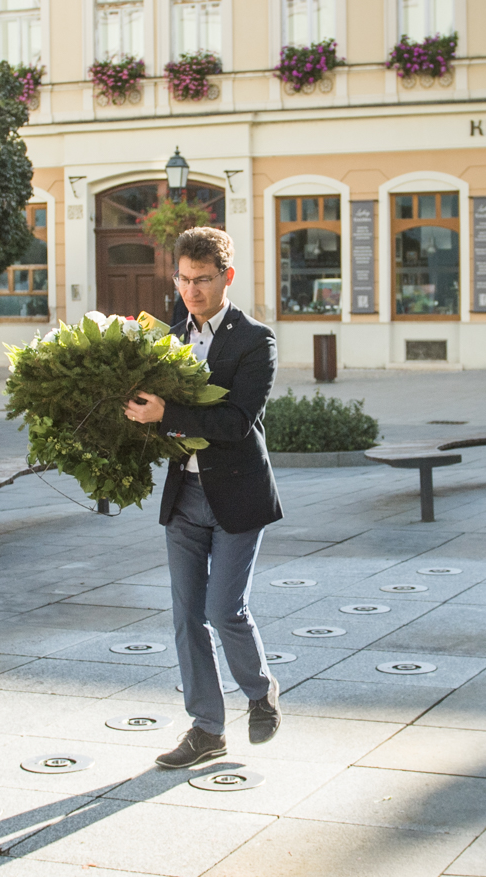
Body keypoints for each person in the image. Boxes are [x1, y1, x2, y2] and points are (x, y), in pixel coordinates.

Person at [124, 227, 283, 768]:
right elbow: (152, 417)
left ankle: (260, 693)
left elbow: (238, 421)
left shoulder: (255, 339)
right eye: (184, 280)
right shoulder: (166, 336)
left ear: (226, 277)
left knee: (224, 608)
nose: (192, 291)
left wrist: (166, 415)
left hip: (237, 493)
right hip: (184, 493)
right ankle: (206, 728)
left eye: (203, 280)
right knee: (186, 615)